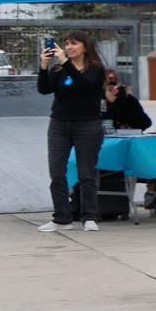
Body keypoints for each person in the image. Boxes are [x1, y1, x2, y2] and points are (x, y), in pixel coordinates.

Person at [36, 30, 108, 233]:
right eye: (66, 43)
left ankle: (89, 217)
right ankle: (62, 218)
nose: (68, 47)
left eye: (74, 43)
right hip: (59, 125)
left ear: (85, 47)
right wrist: (43, 66)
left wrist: (65, 62)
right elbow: (44, 89)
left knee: (86, 174)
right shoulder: (59, 69)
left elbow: (84, 85)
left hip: (87, 125)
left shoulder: (96, 69)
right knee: (57, 172)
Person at [103, 75, 156, 212]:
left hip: (131, 148)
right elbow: (109, 116)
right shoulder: (102, 104)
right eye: (109, 89)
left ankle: (152, 195)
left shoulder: (128, 101)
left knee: (152, 159)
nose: (113, 92)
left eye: (115, 89)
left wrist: (126, 101)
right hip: (108, 152)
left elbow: (145, 122)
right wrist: (117, 101)